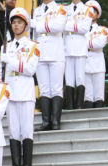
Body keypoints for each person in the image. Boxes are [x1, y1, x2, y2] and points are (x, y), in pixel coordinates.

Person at [1, 7, 40, 166]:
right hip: (11, 90)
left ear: (26, 25)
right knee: (14, 130)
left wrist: (11, 61)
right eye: (14, 23)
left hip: (25, 90)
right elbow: (2, 72)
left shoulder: (33, 46)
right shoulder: (5, 47)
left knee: (27, 129)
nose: (16, 25)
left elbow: (30, 69)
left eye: (19, 22)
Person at [33, 0, 68, 130]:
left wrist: (38, 25)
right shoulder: (36, 11)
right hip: (40, 52)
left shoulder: (61, 9)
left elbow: (58, 27)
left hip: (55, 52)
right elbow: (33, 34)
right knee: (44, 88)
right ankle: (46, 122)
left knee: (56, 88)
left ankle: (55, 121)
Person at [63, 0, 91, 109]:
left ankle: (79, 105)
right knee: (69, 78)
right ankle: (70, 106)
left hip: (80, 46)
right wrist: (76, 26)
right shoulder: (65, 9)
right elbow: (61, 26)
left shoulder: (87, 9)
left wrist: (68, 25)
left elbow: (85, 28)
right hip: (67, 46)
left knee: (80, 77)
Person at [84, 1, 108, 108]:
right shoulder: (81, 30)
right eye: (88, 11)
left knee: (99, 95)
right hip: (84, 63)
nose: (90, 13)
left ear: (98, 15)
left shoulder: (102, 30)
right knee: (87, 96)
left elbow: (100, 43)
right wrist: (91, 43)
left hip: (98, 64)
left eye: (93, 11)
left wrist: (83, 44)